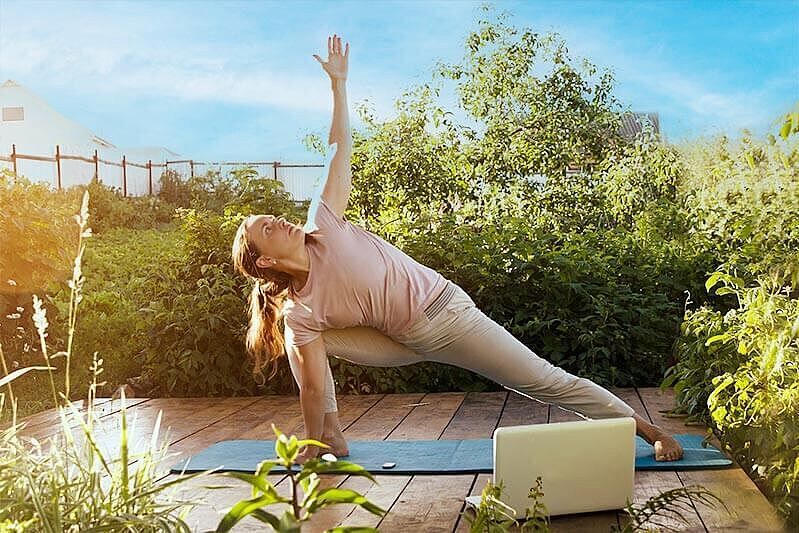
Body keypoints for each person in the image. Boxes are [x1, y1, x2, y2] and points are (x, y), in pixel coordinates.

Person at [231, 34, 684, 465]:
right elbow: (311, 387)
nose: (278, 221)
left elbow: (337, 148)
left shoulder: (323, 223)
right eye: (266, 229)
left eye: (271, 217)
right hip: (398, 340)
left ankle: (652, 432)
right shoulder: (300, 310)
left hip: (447, 316)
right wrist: (310, 441)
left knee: (545, 381)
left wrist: (339, 85)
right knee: (300, 336)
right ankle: (331, 436)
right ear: (266, 260)